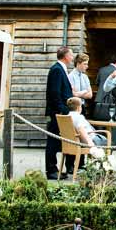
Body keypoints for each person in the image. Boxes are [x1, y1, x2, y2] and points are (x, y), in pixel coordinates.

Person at [45, 46, 75, 180]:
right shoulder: (57, 69)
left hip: (61, 112)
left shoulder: (62, 69)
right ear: (66, 56)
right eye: (71, 55)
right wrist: (62, 109)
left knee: (59, 140)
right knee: (53, 141)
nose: (72, 57)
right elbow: (55, 92)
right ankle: (51, 170)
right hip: (57, 112)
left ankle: (56, 168)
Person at [95, 54, 116, 120]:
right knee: (110, 120)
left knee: (99, 119)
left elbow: (97, 83)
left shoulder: (102, 69)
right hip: (111, 100)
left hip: (99, 98)